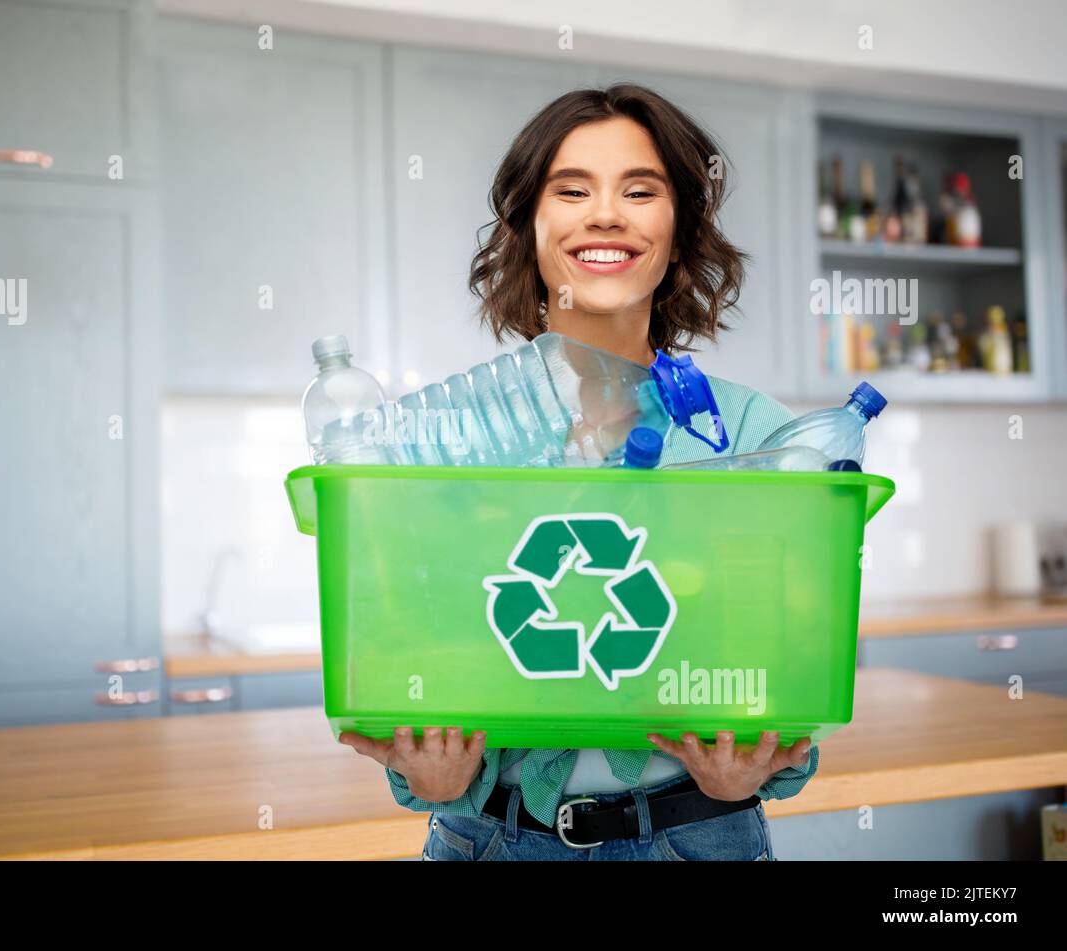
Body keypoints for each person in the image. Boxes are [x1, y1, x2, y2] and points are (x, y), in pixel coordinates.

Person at [339, 84, 816, 860]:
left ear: (678, 226)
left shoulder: (759, 438)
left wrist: (757, 771)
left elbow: (797, 658)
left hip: (696, 837)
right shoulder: (449, 439)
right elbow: (406, 646)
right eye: (572, 190)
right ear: (529, 225)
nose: (605, 214)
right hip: (490, 838)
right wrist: (429, 774)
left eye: (640, 190)